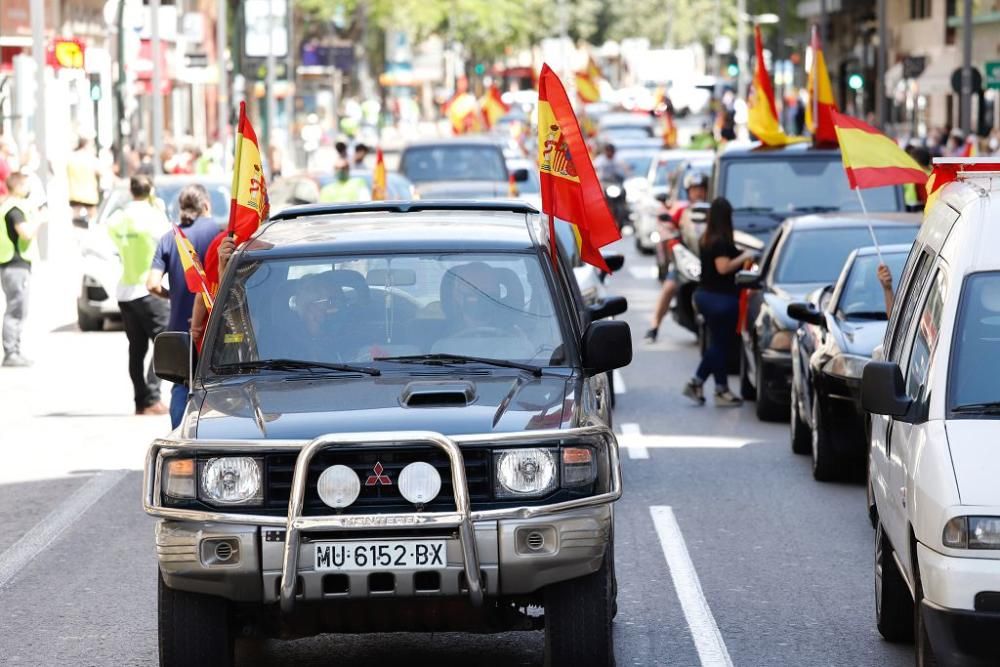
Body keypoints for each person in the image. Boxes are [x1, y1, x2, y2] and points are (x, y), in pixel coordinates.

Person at [147, 185, 221, 427]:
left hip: (180, 333)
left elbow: (152, 284)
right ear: (207, 205)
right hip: (214, 328)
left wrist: (174, 296)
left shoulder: (170, 238)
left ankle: (179, 435)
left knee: (182, 386)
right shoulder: (218, 234)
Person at [107, 175, 171, 415]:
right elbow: (169, 243)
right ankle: (153, 398)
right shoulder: (154, 216)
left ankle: (140, 402)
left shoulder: (118, 218)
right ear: (150, 190)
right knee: (165, 343)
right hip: (149, 289)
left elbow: (103, 246)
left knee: (136, 349)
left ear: (130, 191)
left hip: (125, 291)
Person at [683, 197, 755, 406]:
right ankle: (704, 384)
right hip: (720, 300)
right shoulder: (720, 242)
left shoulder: (709, 238)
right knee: (720, 345)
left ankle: (713, 387)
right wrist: (745, 257)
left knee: (718, 344)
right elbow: (723, 268)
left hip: (707, 296)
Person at [645, 172, 709, 342]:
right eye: (694, 189)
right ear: (688, 191)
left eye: (701, 189)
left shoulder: (713, 209)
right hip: (687, 261)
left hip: (708, 261)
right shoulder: (682, 210)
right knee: (668, 288)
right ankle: (653, 328)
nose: (698, 193)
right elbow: (668, 226)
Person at [0, 173, 40, 367]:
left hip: (11, 263)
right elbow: (25, 234)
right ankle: (11, 353)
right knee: (16, 309)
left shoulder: (7, 205)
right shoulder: (15, 209)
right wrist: (39, 220)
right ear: (18, 186)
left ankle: (14, 351)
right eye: (25, 185)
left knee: (16, 308)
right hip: (15, 264)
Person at [66, 137, 101, 218]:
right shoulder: (90, 158)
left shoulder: (72, 157)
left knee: (75, 219)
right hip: (89, 194)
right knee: (93, 219)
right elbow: (101, 172)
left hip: (74, 194)